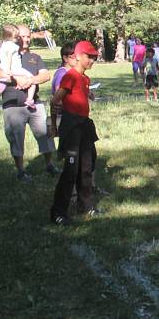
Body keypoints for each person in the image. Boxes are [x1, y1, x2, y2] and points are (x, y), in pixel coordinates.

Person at [0, 24, 58, 182]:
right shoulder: (7, 52)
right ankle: (21, 171)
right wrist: (15, 78)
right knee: (16, 138)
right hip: (12, 104)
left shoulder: (35, 57)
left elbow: (45, 75)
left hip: (34, 103)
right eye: (23, 36)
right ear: (15, 37)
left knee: (45, 134)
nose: (26, 39)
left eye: (28, 36)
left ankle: (49, 165)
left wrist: (30, 80)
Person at [50, 40, 100, 224]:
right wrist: (54, 127)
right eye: (89, 57)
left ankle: (86, 205)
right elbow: (55, 100)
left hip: (84, 125)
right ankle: (58, 212)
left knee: (86, 167)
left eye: (94, 58)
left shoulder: (85, 79)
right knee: (71, 169)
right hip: (71, 126)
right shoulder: (70, 76)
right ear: (78, 56)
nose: (92, 61)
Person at [0, 24, 37, 113]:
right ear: (10, 36)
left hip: (3, 68)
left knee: (1, 86)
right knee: (32, 79)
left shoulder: (3, 45)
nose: (17, 39)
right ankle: (30, 99)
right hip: (15, 68)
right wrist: (9, 69)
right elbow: (9, 57)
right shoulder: (13, 46)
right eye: (16, 37)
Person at [50, 43, 77, 138]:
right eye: (74, 57)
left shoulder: (71, 73)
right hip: (66, 118)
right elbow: (57, 97)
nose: (77, 59)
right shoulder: (62, 74)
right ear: (65, 58)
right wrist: (54, 125)